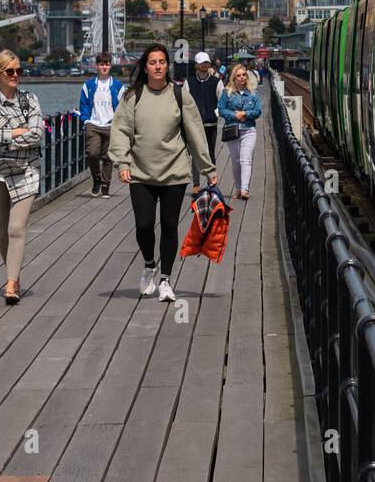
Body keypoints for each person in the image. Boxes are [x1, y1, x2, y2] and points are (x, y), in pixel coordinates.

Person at [108, 45, 217, 302]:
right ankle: (149, 264)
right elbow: (121, 131)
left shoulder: (179, 95)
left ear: (168, 66)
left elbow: (195, 133)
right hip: (140, 172)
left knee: (169, 225)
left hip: (174, 172)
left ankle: (166, 280)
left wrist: (207, 168)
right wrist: (122, 164)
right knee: (144, 225)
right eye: (153, 62)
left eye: (162, 62)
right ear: (145, 67)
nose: (157, 66)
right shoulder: (132, 96)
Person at [0, 49, 42, 304]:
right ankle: (12, 274)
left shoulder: (30, 100)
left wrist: (2, 134)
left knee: (16, 228)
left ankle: (11, 284)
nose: (15, 75)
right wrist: (16, 133)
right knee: (2, 230)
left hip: (27, 171)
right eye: (10, 71)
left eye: (18, 71)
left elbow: (36, 135)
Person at [78, 52, 126, 197]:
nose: (104, 67)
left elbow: (123, 106)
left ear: (110, 65)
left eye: (107, 64)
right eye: (101, 64)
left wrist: (119, 123)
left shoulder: (117, 85)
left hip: (111, 125)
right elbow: (84, 104)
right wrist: (86, 120)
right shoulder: (89, 85)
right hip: (93, 124)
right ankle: (96, 178)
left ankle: (105, 185)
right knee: (92, 153)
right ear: (97, 66)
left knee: (107, 157)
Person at [218, 64, 262, 199]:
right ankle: (238, 188)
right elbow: (221, 109)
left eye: (244, 75)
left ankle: (244, 190)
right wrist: (234, 115)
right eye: (239, 75)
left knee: (246, 159)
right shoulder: (227, 92)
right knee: (236, 161)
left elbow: (258, 111)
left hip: (248, 130)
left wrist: (245, 113)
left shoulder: (253, 93)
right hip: (232, 130)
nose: (242, 77)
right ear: (234, 78)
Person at [185, 51, 224, 176]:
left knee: (211, 153)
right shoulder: (189, 82)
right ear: (196, 65)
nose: (204, 65)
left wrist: (216, 114)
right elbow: (185, 102)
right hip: (195, 124)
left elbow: (222, 101)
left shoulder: (216, 81)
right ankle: (196, 184)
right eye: (201, 63)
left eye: (206, 62)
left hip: (211, 123)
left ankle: (211, 181)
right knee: (196, 154)